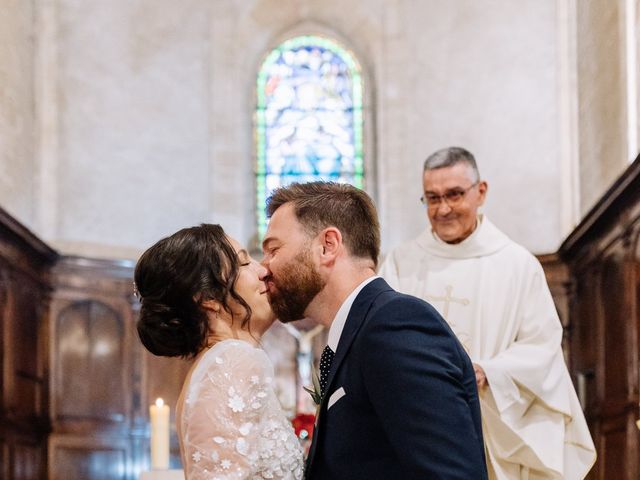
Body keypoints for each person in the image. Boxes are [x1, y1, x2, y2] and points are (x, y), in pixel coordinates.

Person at [379, 147, 597, 479]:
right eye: (432, 198)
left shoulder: (517, 264)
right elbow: (383, 340)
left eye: (454, 194)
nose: (444, 209)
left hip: (495, 422)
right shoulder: (400, 264)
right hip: (422, 424)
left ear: (480, 192)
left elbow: (542, 345)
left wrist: (488, 372)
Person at [260, 181, 488, 480]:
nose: (264, 268)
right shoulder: (356, 332)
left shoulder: (395, 325)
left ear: (327, 246)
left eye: (273, 249)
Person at [134, 224, 303, 480]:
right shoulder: (233, 361)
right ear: (208, 298)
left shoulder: (216, 364)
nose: (263, 270)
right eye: (245, 263)